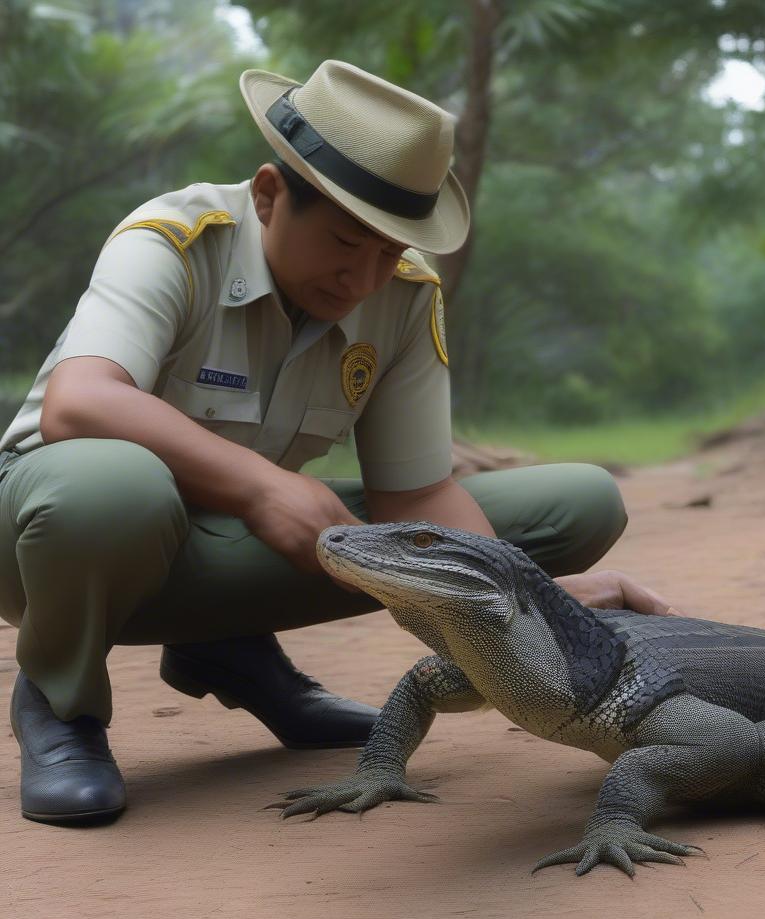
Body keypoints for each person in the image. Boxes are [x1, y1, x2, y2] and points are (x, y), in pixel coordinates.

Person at [0, 60, 673, 826]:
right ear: (267, 194)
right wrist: (261, 485)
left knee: (575, 505)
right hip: (52, 543)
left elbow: (415, 495)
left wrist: (531, 605)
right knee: (112, 487)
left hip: (223, 549)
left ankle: (226, 647)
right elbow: (80, 403)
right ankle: (61, 705)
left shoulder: (405, 295)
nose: (364, 277)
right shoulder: (176, 240)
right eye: (347, 241)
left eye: (389, 251)